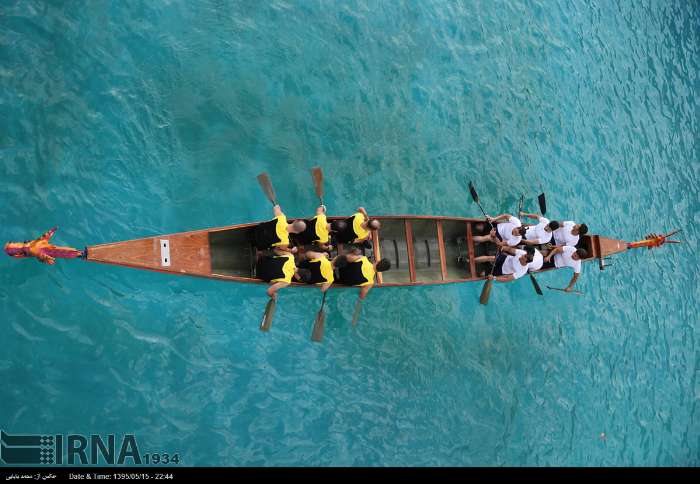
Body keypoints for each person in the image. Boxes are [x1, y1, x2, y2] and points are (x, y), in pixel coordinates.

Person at [4, 227, 83, 265]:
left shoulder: (27, 249)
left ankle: (81, 254)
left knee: (75, 253)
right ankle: (81, 254)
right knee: (74, 253)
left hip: (40, 247)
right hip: (41, 248)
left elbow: (38, 248)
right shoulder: (29, 248)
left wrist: (47, 235)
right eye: (14, 243)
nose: (16, 242)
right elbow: (38, 251)